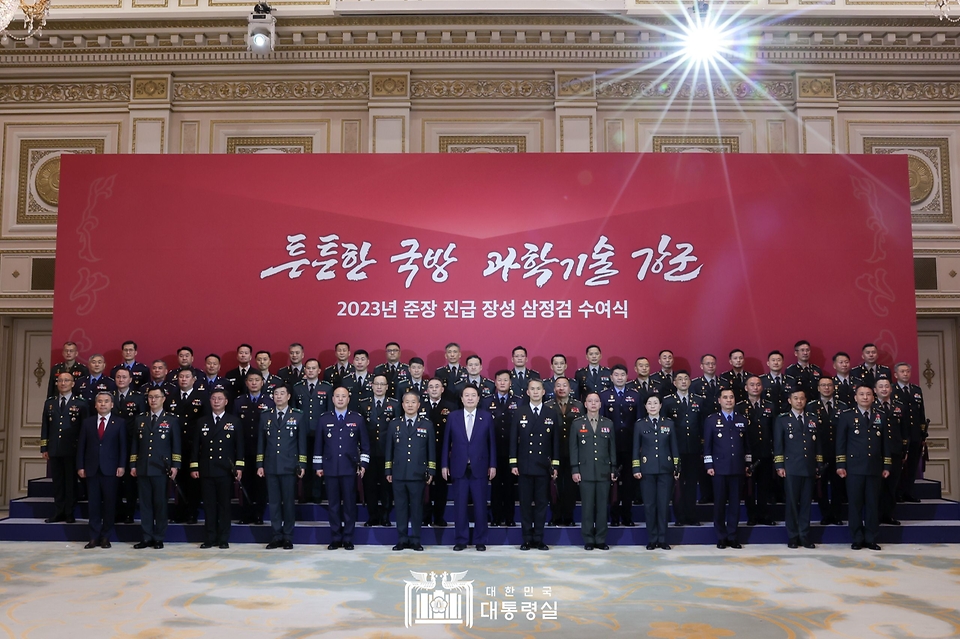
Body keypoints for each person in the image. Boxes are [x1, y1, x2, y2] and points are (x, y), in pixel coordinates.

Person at [837, 384, 892, 551]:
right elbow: (841, 442)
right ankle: (857, 538)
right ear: (855, 398)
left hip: (875, 467)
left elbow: (885, 443)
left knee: (872, 504)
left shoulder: (880, 415)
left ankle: (871, 537)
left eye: (868, 394)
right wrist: (840, 464)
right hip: (854, 468)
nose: (865, 397)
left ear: (873, 397)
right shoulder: (847, 416)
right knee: (855, 504)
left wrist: (887, 465)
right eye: (861, 394)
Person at [442, 385, 496, 551]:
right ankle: (461, 539)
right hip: (459, 467)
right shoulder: (453, 417)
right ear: (462, 398)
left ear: (479, 398)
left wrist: (493, 464)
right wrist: (444, 464)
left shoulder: (486, 417)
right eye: (467, 395)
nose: (470, 398)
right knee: (459, 506)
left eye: (473, 395)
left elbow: (491, 443)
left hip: (480, 467)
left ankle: (480, 540)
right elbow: (446, 443)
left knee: (480, 506)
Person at [315, 386, 370, 550]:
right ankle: (335, 538)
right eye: (337, 396)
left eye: (343, 396)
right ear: (332, 399)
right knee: (333, 506)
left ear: (348, 399)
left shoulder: (357, 419)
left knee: (349, 505)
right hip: (330, 469)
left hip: (349, 469)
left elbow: (366, 446)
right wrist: (318, 466)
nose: (340, 399)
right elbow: (318, 445)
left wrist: (364, 465)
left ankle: (348, 538)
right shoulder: (324, 419)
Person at [191, 389, 243, 549]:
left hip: (225, 470)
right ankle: (210, 537)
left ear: (226, 402)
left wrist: (239, 466)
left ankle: (223, 538)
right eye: (213, 398)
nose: (216, 401)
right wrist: (194, 465)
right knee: (209, 505)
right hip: (207, 469)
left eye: (220, 399)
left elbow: (239, 446)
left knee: (224, 505)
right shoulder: (202, 421)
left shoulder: (233, 421)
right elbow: (195, 447)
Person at [510, 378, 558, 551]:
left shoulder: (551, 413)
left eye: (539, 389)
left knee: (541, 504)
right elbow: (513, 440)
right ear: (527, 392)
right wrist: (513, 462)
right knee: (525, 504)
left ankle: (539, 538)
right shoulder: (519, 412)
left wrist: (556, 465)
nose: (536, 392)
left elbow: (555, 443)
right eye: (533, 389)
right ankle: (527, 538)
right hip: (524, 465)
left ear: (544, 392)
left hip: (543, 467)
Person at [130, 386, 180, 549]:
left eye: (156, 397)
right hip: (143, 467)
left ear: (163, 399)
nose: (153, 400)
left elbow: (176, 445)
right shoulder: (140, 419)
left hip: (161, 468)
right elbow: (135, 445)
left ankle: (158, 537)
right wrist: (133, 464)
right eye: (151, 397)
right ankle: (146, 536)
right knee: (145, 504)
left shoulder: (171, 419)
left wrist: (175, 466)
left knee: (160, 504)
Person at [257, 385, 307, 550]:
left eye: (282, 394)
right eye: (275, 394)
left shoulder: (298, 416)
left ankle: (287, 536)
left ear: (288, 396)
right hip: (271, 465)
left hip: (289, 466)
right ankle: (276, 536)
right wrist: (260, 464)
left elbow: (301, 443)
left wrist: (302, 464)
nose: (278, 397)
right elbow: (261, 443)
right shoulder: (265, 416)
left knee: (288, 502)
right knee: (274, 503)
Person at [386, 391, 436, 551]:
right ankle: (402, 539)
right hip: (399, 474)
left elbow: (431, 450)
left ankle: (415, 539)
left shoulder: (427, 424)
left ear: (418, 405)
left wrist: (431, 471)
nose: (410, 405)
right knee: (400, 508)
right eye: (407, 402)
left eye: (413, 402)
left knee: (416, 508)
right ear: (402, 405)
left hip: (418, 473)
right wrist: (388, 470)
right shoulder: (394, 424)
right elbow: (389, 449)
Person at [77, 392, 127, 549]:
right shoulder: (87, 423)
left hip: (111, 470)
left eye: (106, 401)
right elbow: (81, 447)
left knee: (109, 505)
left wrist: (122, 465)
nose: (103, 404)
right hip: (91, 469)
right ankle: (93, 537)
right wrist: (80, 466)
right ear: (95, 405)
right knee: (93, 505)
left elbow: (123, 446)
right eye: (100, 401)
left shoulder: (119, 422)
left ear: (112, 404)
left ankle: (106, 537)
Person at [704, 389, 752, 549]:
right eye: (725, 397)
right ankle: (721, 536)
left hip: (737, 468)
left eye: (731, 397)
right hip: (718, 469)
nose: (729, 400)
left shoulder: (742, 420)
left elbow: (747, 447)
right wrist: (709, 465)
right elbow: (707, 446)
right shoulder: (711, 420)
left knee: (735, 504)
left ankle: (732, 536)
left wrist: (747, 465)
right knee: (719, 504)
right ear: (719, 400)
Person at [774, 389, 822, 549]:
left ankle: (804, 535)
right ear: (790, 400)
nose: (799, 401)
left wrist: (819, 465)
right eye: (796, 398)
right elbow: (778, 445)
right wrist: (779, 465)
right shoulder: (782, 420)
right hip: (791, 467)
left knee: (807, 503)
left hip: (808, 467)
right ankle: (793, 536)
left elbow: (818, 446)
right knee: (792, 503)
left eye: (802, 398)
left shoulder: (812, 419)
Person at [41, 372, 89, 523]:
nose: (63, 383)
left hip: (72, 449)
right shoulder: (50, 403)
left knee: (70, 482)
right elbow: (45, 427)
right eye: (60, 380)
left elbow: (85, 429)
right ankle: (58, 511)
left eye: (66, 380)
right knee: (58, 482)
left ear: (73, 383)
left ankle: (69, 512)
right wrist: (44, 447)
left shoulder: (81, 403)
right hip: (55, 449)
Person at [633, 395, 679, 550]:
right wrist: (636, 468)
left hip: (665, 470)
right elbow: (635, 450)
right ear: (645, 406)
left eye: (655, 403)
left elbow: (674, 448)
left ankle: (663, 538)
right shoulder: (640, 425)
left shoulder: (669, 424)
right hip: (647, 470)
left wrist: (676, 467)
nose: (652, 406)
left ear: (660, 406)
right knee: (650, 506)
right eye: (649, 403)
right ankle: (652, 539)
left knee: (663, 505)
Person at [571, 392, 616, 550]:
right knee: (588, 507)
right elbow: (574, 449)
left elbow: (612, 449)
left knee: (603, 507)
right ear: (585, 404)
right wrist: (575, 469)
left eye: (596, 401)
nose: (593, 404)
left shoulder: (608, 423)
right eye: (590, 401)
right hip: (585, 471)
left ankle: (601, 538)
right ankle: (589, 539)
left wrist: (613, 468)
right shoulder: (577, 423)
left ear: (600, 404)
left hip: (603, 471)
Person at [661, 371, 704, 526]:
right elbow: (664, 425)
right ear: (674, 383)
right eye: (680, 379)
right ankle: (679, 517)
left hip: (693, 448)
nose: (683, 381)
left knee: (692, 484)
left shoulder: (699, 400)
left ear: (690, 382)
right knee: (677, 485)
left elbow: (702, 425)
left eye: (686, 378)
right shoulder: (667, 401)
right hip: (675, 449)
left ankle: (691, 515)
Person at [600, 364, 640, 526]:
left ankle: (627, 516)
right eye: (616, 375)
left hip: (630, 446)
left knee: (628, 484)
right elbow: (602, 422)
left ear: (627, 376)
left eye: (622, 374)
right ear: (611, 377)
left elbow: (639, 422)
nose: (619, 377)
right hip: (611, 446)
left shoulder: (635, 396)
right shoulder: (604, 396)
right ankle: (614, 516)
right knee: (612, 482)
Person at [166, 369, 208, 524]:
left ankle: (192, 512)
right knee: (179, 480)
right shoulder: (171, 397)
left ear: (194, 379)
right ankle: (180, 511)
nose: (183, 379)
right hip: (176, 445)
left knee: (193, 481)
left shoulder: (202, 397)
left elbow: (206, 421)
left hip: (194, 445)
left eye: (187, 377)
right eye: (181, 377)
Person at [358, 376, 398, 526]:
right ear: (372, 386)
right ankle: (372, 515)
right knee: (370, 486)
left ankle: (385, 516)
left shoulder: (394, 404)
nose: (379, 387)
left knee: (387, 486)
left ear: (387, 387)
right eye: (377, 384)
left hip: (387, 453)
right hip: (369, 452)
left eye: (382, 384)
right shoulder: (363, 404)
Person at [235, 370, 274, 525]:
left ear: (262, 382)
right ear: (246, 382)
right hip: (244, 448)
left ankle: (259, 514)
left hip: (262, 449)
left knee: (261, 484)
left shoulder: (269, 402)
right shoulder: (239, 401)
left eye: (257, 380)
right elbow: (235, 426)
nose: (254, 383)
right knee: (246, 482)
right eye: (250, 380)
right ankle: (246, 514)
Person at [482, 370, 520, 527]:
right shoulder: (486, 401)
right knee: (495, 485)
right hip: (493, 449)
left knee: (510, 486)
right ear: (495, 383)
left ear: (510, 382)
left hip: (512, 450)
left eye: (506, 380)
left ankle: (509, 518)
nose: (503, 383)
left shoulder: (519, 401)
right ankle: (496, 517)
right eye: (499, 380)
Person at [292, 358, 333, 504]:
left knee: (318, 463)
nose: (310, 371)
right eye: (308, 368)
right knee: (303, 463)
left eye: (313, 368)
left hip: (319, 433)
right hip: (302, 433)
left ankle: (316, 494)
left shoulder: (327, 387)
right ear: (304, 370)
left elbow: (329, 412)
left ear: (319, 371)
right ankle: (303, 493)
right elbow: (293, 411)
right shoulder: (297, 387)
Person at [808, 376, 848, 526]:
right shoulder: (811, 407)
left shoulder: (843, 406)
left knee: (838, 486)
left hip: (838, 453)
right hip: (819, 453)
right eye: (823, 385)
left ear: (834, 387)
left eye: (829, 385)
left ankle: (836, 515)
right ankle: (825, 514)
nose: (826, 388)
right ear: (818, 388)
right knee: (821, 486)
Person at [544, 377, 583, 526]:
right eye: (558, 386)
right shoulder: (548, 406)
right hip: (554, 452)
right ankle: (555, 515)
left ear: (570, 388)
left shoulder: (578, 405)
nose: (561, 388)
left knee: (571, 486)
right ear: (554, 389)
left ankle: (569, 516)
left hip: (573, 452)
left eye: (564, 385)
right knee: (555, 486)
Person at [739, 376, 777, 527]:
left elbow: (774, 430)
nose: (755, 387)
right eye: (752, 385)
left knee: (764, 486)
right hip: (748, 453)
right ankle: (751, 515)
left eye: (758, 385)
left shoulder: (770, 406)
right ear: (746, 388)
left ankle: (764, 515)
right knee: (748, 488)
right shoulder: (740, 407)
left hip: (765, 453)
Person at [112, 368, 145, 524]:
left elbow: (143, 422)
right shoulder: (109, 397)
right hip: (112, 445)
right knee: (114, 481)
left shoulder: (138, 398)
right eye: (118, 377)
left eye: (124, 377)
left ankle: (129, 513)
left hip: (131, 443)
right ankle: (117, 511)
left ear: (130, 379)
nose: (121, 380)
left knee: (130, 481)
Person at [892, 362, 927, 503]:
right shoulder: (892, 390)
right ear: (896, 374)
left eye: (907, 371)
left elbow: (921, 414)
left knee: (912, 466)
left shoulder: (916, 390)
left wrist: (923, 434)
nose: (905, 374)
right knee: (899, 467)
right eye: (902, 371)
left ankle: (908, 492)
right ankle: (897, 493)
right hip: (899, 435)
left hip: (914, 435)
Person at [422, 379, 455, 526]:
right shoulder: (419, 406)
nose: (434, 389)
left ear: (442, 389)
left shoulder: (451, 407)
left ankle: (439, 516)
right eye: (431, 387)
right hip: (423, 451)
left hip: (443, 451)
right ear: (427, 390)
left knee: (441, 485)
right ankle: (426, 515)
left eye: (437, 387)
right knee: (424, 485)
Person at [875, 378, 907, 526]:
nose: (884, 389)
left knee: (891, 486)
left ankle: (888, 515)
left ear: (891, 389)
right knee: (876, 487)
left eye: (886, 386)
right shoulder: (871, 407)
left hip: (894, 451)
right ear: (875, 390)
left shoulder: (899, 407)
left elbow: (904, 430)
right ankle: (875, 516)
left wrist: (904, 449)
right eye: (880, 387)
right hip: (876, 453)